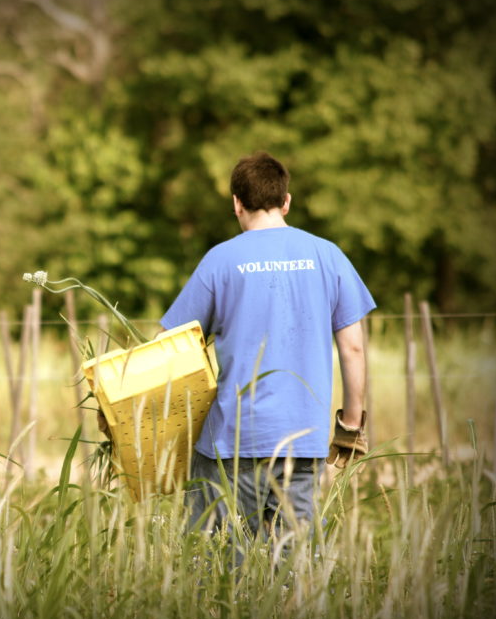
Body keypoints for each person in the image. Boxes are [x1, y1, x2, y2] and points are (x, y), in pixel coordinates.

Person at [159, 151, 375, 536]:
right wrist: (351, 423)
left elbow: (169, 346)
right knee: (291, 565)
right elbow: (353, 347)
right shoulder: (328, 255)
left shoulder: (219, 261)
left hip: (231, 442)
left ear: (236, 204)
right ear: (286, 202)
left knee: (220, 562)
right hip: (302, 440)